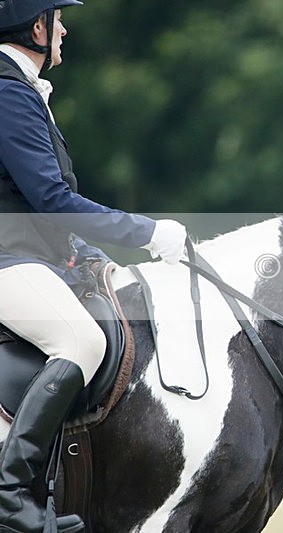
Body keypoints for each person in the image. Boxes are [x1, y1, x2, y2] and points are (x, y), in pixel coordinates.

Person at [0, 1, 186, 531]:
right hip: (5, 261)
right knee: (81, 341)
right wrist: (146, 233)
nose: (64, 27)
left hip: (25, 254)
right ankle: (9, 497)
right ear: (36, 27)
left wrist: (87, 252)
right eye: (56, 17)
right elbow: (50, 198)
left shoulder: (19, 89)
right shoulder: (7, 93)